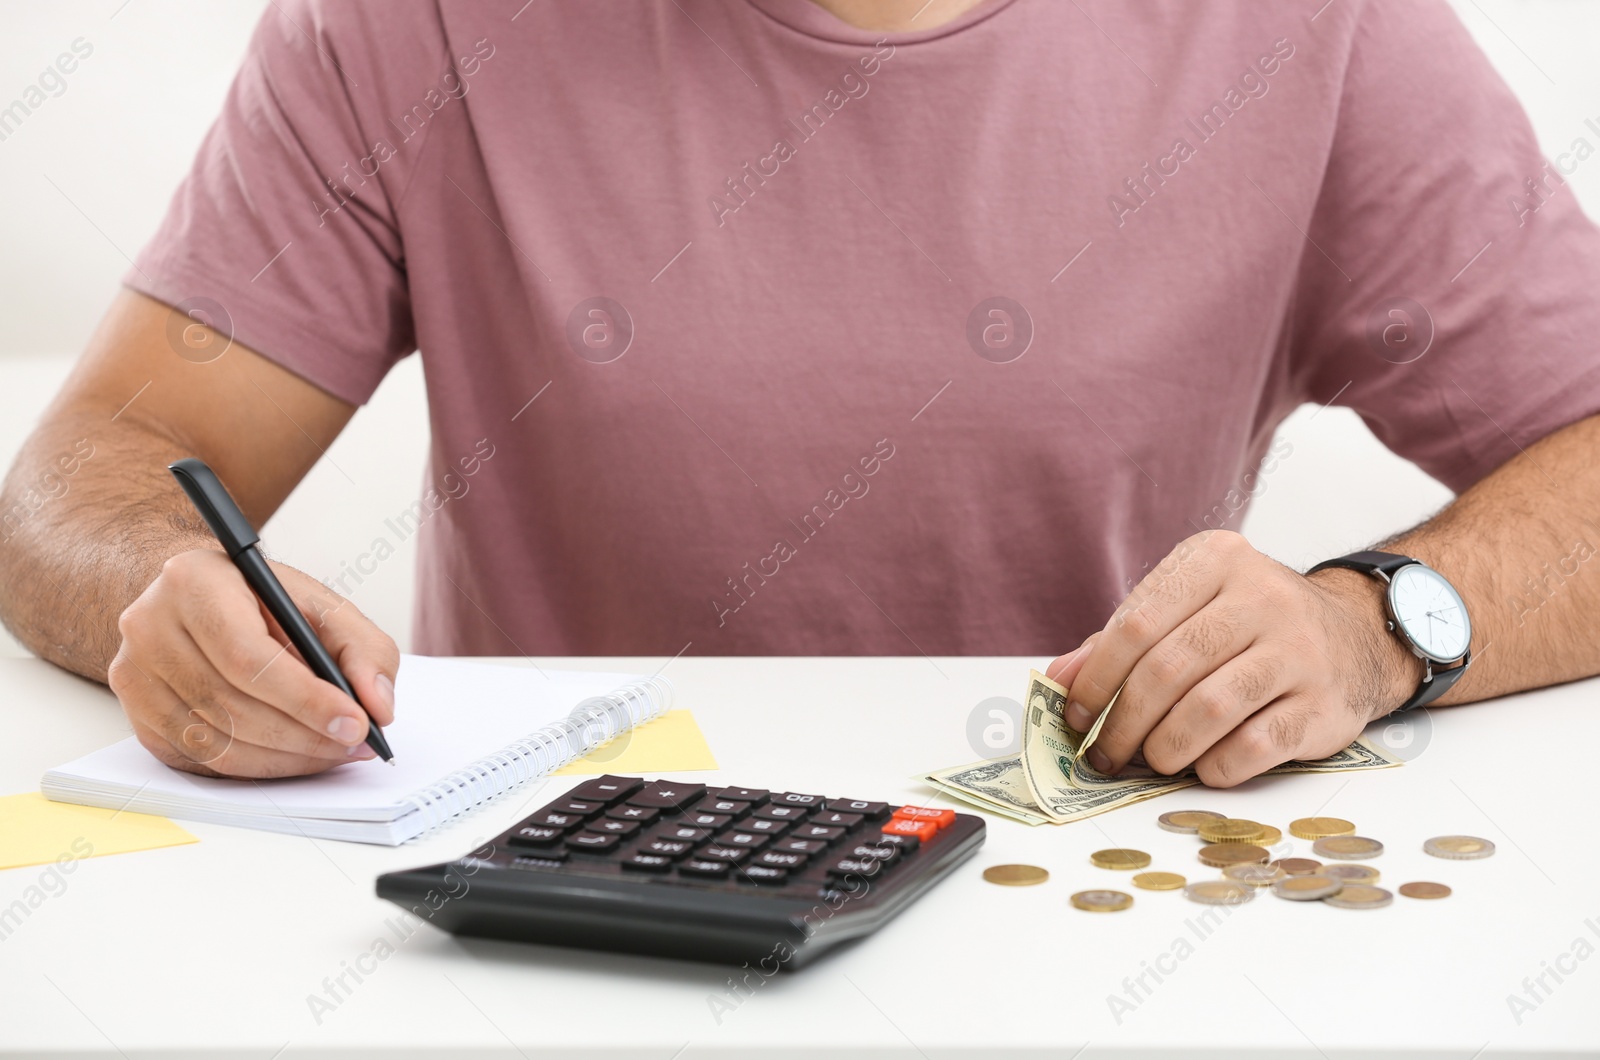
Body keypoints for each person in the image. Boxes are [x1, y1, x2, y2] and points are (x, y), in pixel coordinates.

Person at [2, 0, 1598, 783]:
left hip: (1093, 929)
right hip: (567, 935)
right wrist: (173, 592)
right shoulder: (417, 20)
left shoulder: (1310, 31)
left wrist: (1378, 624)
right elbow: (97, 469)